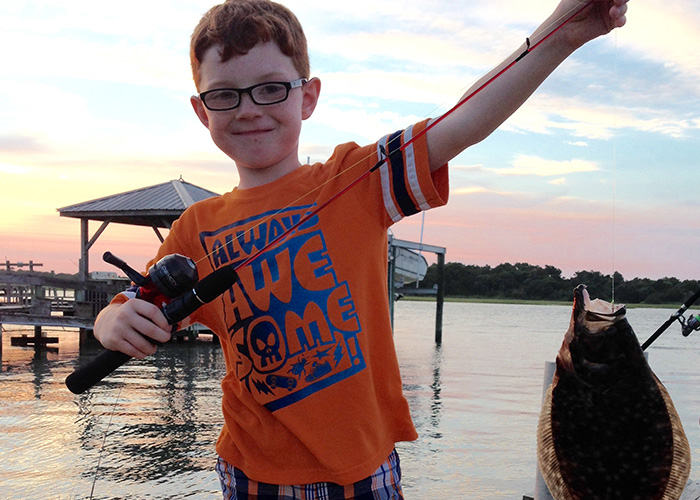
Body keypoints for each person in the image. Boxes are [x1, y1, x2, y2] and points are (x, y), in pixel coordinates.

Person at [93, 0, 629, 497]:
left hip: (365, 468)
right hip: (251, 471)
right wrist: (112, 324)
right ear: (200, 109)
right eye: (225, 95)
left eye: (271, 88)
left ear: (308, 96)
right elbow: (134, 306)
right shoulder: (195, 226)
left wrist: (561, 32)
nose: (249, 108)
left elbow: (463, 122)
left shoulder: (356, 180)